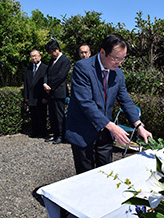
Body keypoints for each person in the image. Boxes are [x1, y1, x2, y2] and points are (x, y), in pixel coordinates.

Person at [65, 33, 152, 174]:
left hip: (105, 134)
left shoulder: (118, 74)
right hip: (83, 131)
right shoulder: (83, 68)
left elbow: (125, 100)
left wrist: (138, 125)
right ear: (103, 52)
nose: (119, 63)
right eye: (116, 59)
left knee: (106, 174)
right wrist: (112, 126)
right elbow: (86, 103)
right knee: (85, 177)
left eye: (123, 59)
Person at [43, 40, 71, 144]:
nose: (51, 54)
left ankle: (61, 135)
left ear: (57, 49)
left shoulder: (65, 60)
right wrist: (45, 84)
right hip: (50, 91)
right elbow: (46, 73)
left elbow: (61, 76)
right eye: (49, 52)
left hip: (59, 92)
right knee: (52, 115)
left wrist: (50, 86)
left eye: (52, 52)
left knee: (59, 115)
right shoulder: (51, 60)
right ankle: (54, 134)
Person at [23, 50, 48, 138]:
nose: (34, 58)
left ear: (40, 57)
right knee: (33, 115)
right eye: (32, 56)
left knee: (41, 115)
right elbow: (25, 83)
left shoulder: (45, 68)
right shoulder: (28, 69)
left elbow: (47, 82)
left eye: (35, 56)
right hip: (31, 96)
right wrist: (26, 96)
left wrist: (46, 97)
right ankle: (35, 131)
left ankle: (42, 132)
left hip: (41, 96)